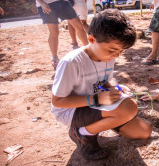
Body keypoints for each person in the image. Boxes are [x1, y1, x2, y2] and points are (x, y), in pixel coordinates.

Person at [51, 9, 152, 160]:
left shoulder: (108, 55)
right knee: (130, 107)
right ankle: (82, 133)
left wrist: (114, 88)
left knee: (144, 131)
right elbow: (58, 102)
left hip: (96, 104)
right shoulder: (71, 62)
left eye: (121, 51)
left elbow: (103, 81)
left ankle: (105, 121)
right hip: (72, 111)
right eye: (113, 50)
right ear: (91, 39)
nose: (117, 56)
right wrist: (96, 99)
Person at [33, 0, 89, 70]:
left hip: (62, 1)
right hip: (46, 3)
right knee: (54, 32)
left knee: (79, 26)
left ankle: (89, 51)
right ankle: (54, 58)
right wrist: (42, 3)